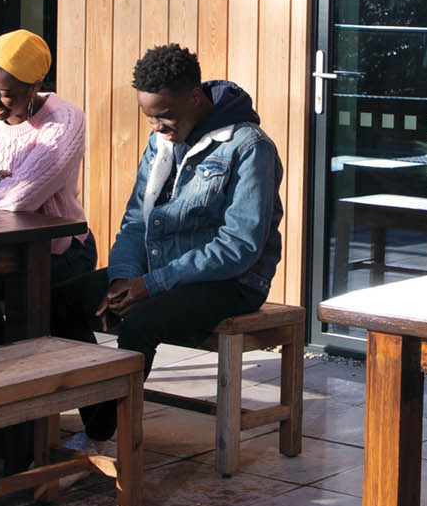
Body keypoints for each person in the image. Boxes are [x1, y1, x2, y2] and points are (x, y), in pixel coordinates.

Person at [77, 43, 283, 449]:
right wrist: (123, 277)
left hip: (234, 282)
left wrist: (151, 285)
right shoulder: (162, 141)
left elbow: (239, 246)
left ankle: (96, 436)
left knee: (140, 324)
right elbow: (137, 219)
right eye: (149, 117)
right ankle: (92, 417)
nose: (157, 127)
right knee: (58, 303)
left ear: (194, 97)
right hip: (158, 270)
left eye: (165, 116)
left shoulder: (249, 146)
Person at [0, 29, 95, 351]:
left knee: (27, 307)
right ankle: (5, 367)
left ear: (35, 87)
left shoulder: (64, 121)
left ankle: (21, 371)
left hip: (59, 249)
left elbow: (21, 198)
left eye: (7, 93)